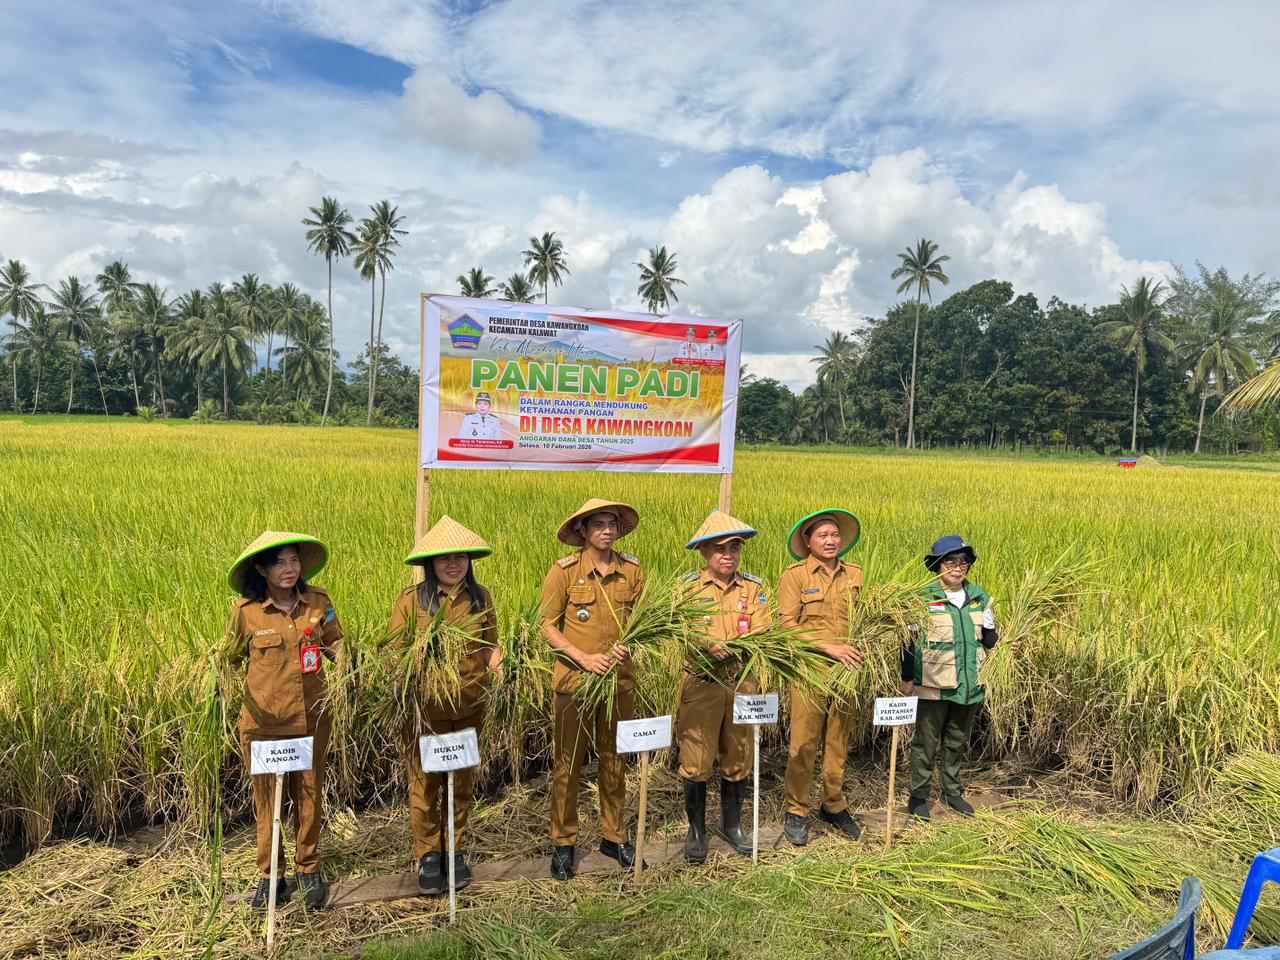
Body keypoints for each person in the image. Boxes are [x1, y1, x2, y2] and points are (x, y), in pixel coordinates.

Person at [226, 531, 342, 911]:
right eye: (280, 562)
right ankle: (271, 874)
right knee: (268, 802)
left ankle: (308, 868)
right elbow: (228, 662)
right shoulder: (247, 613)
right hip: (265, 726)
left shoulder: (318, 603)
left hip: (311, 718)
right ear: (262, 569)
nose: (289, 569)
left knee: (309, 795)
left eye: (294, 561)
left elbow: (335, 642)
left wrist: (350, 664)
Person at [387, 517, 502, 896]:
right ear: (431, 563)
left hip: (470, 706)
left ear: (470, 560)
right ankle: (428, 855)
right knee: (425, 784)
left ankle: (455, 850)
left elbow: (489, 647)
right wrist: (409, 673)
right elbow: (393, 653)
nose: (453, 564)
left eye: (460, 557)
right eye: (444, 558)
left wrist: (503, 671)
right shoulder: (411, 600)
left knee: (461, 781)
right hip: (426, 712)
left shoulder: (481, 598)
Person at [540, 498, 645, 880]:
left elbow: (644, 621)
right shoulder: (565, 572)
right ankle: (564, 843)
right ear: (583, 531)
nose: (606, 529)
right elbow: (546, 625)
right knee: (568, 764)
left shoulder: (632, 570)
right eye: (598, 523)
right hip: (574, 684)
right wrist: (583, 658)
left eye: (612, 523)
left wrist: (631, 641)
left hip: (619, 683)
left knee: (615, 760)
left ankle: (614, 837)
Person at [676, 510, 771, 863]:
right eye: (719, 549)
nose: (728, 555)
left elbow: (764, 628)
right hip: (701, 685)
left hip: (742, 684)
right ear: (704, 552)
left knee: (739, 756)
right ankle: (697, 831)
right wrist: (705, 645)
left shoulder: (754, 588)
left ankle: (731, 827)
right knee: (696, 759)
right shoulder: (687, 588)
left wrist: (732, 647)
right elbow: (679, 630)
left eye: (734, 548)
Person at [778, 509, 866, 846]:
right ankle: (797, 810)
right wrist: (830, 648)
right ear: (807, 541)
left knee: (839, 740)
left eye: (834, 535)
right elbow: (786, 625)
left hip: (848, 670)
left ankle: (834, 803)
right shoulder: (796, 576)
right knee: (804, 742)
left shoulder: (855, 574)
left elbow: (864, 620)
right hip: (810, 670)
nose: (831, 541)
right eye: (822, 536)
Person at [901, 536, 998, 820]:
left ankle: (951, 792)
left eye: (963, 562)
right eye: (951, 561)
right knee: (926, 742)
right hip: (934, 682)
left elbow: (989, 638)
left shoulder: (980, 598)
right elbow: (908, 641)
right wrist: (907, 678)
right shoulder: (921, 598)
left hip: (970, 681)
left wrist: (1006, 644)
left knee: (957, 739)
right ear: (937, 565)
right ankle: (918, 796)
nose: (958, 567)